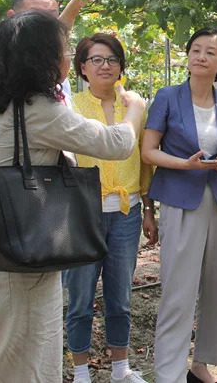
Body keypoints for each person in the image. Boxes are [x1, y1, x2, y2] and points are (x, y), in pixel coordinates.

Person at [0, 10, 146, 382]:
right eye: (62, 52)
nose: (66, 60)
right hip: (20, 274)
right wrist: (135, 111)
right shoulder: (36, 110)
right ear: (41, 60)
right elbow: (116, 142)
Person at [141, 28, 217, 383]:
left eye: (210, 52)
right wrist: (183, 164)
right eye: (196, 50)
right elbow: (148, 150)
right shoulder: (167, 97)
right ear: (187, 56)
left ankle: (202, 364)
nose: (201, 56)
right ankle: (169, 372)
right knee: (178, 288)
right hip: (180, 199)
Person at [65, 33, 158, 383]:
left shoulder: (135, 106)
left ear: (121, 67)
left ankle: (121, 369)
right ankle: (80, 372)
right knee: (80, 297)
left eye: (112, 60)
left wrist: (149, 209)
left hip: (126, 212)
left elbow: (144, 162)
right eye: (97, 60)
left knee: (120, 295)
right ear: (83, 68)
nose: (105, 66)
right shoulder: (71, 106)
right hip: (82, 215)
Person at [0, 0, 87, 209]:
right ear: (13, 18)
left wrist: (77, 2)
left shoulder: (54, 79)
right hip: (12, 216)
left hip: (47, 211)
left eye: (51, 19)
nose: (45, 27)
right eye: (35, 17)